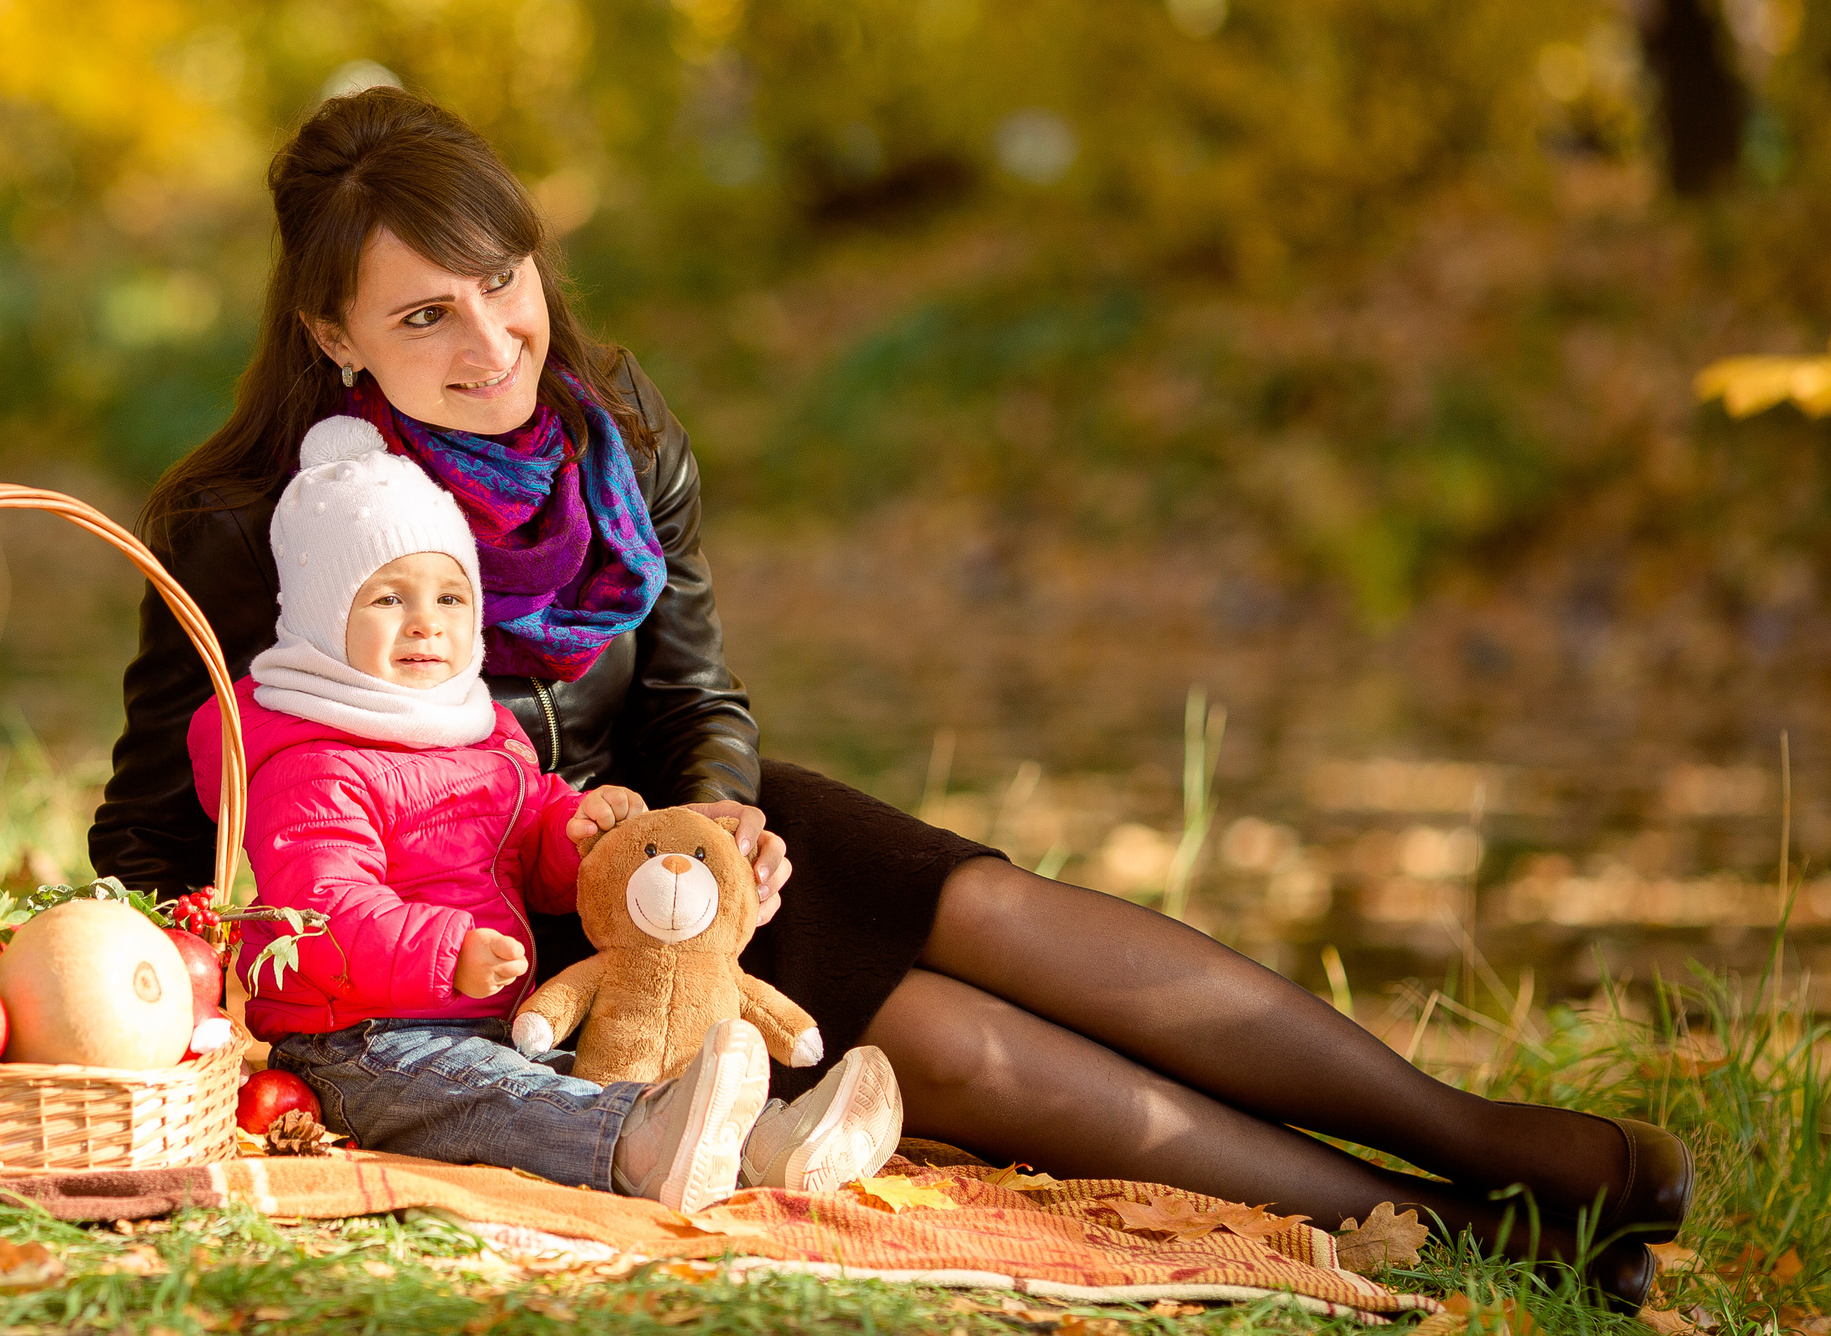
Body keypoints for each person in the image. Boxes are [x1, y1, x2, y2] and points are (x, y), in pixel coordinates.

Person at [93, 88, 1690, 1299]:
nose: (489, 335)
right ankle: (1449, 1225)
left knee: (988, 903)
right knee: (960, 1043)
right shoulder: (249, 521)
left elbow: (696, 686)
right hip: (516, 933)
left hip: (686, 836)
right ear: (332, 330)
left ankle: (1474, 1131)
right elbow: (158, 825)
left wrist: (716, 796)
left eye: (500, 280)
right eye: (423, 312)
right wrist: (190, 976)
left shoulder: (615, 437)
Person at [187, 412, 907, 1210]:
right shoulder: (312, 761)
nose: (428, 621)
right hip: (358, 1042)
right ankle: (640, 1146)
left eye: (452, 596)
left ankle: (768, 1144)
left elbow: (535, 847)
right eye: (389, 598)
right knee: (495, 1099)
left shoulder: (482, 733)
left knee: (561, 1077)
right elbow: (318, 910)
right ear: (325, 619)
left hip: (485, 1020)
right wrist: (447, 949)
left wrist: (583, 835)